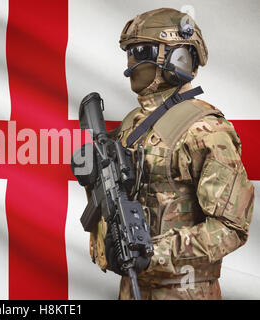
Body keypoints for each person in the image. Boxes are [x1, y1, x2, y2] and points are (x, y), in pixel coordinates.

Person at [88, 8, 255, 300]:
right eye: (130, 51)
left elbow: (231, 228)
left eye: (142, 51)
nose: (132, 61)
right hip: (132, 289)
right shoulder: (130, 125)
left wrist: (156, 252)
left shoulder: (205, 129)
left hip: (185, 293)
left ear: (178, 57)